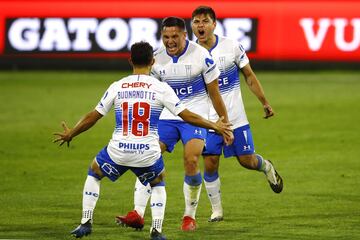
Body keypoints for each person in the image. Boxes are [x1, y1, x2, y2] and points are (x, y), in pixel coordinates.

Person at [53, 41, 232, 239]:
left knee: (94, 173)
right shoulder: (161, 88)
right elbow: (187, 116)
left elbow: (93, 116)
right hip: (147, 152)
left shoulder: (117, 86)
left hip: (118, 151)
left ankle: (86, 222)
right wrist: (214, 125)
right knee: (158, 183)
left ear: (130, 61)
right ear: (153, 61)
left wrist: (72, 133)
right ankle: (156, 230)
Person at [116, 17, 233, 231]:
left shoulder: (202, 57)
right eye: (166, 37)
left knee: (191, 160)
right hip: (165, 119)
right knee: (146, 157)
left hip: (195, 117)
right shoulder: (156, 59)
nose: (170, 41)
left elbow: (215, 94)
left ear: (184, 35)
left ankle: (189, 216)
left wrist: (224, 124)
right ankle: (137, 213)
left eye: (174, 37)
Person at [191, 6, 284, 222]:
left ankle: (266, 166)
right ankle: (217, 210)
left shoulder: (231, 46)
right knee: (211, 161)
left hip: (235, 117)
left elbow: (249, 76)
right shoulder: (191, 54)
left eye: (205, 21)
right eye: (196, 22)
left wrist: (265, 102)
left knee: (247, 160)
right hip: (209, 121)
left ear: (214, 24)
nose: (200, 25)